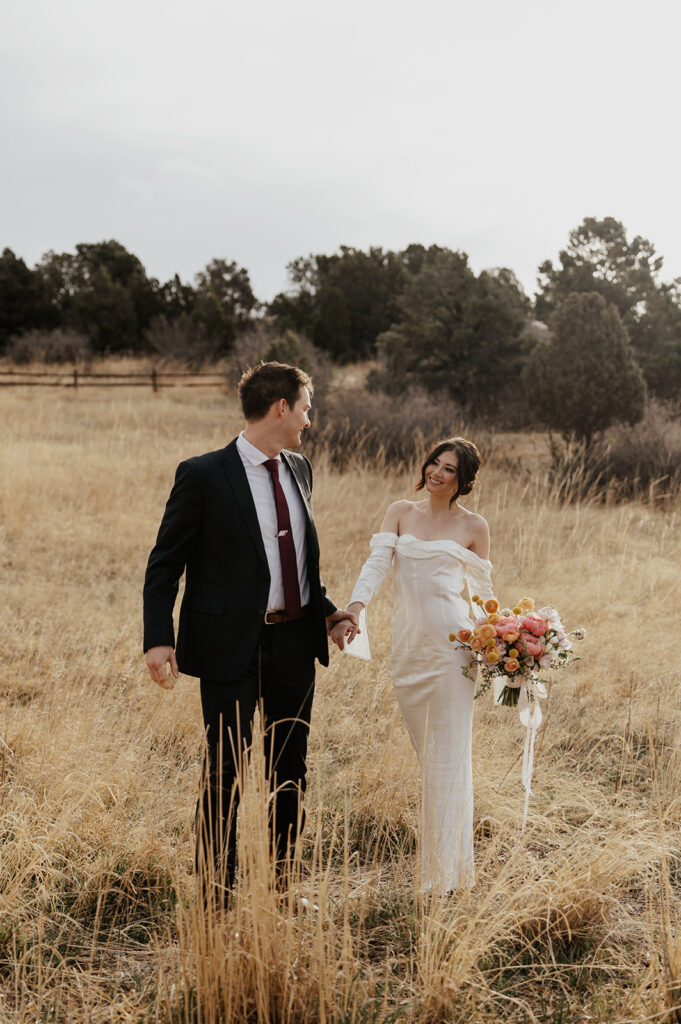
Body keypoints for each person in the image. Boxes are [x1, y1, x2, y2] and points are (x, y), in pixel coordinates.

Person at [143, 361, 356, 908]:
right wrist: (157, 637)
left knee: (291, 770)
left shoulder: (301, 469)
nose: (309, 420)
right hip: (228, 648)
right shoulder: (203, 474)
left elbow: (299, 562)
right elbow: (165, 563)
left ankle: (283, 888)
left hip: (294, 645)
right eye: (306, 408)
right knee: (225, 773)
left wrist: (327, 611)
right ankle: (216, 898)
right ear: (281, 408)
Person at [332, 438, 495, 893]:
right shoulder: (400, 512)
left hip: (453, 651)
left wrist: (504, 644)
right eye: (434, 463)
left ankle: (443, 878)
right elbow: (376, 563)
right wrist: (355, 608)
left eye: (449, 469)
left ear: (463, 481)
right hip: (408, 651)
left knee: (448, 757)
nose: (437, 473)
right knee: (430, 759)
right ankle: (452, 871)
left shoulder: (473, 526)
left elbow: (484, 597)